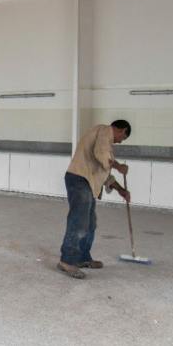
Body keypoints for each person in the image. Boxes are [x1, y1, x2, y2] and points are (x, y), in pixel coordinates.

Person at [57, 120, 132, 279]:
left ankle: (82, 257)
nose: (120, 141)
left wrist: (121, 190)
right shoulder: (105, 131)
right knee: (79, 221)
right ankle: (67, 260)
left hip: (87, 182)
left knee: (90, 223)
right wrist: (118, 166)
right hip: (79, 179)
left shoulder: (106, 143)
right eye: (123, 138)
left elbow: (103, 174)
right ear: (121, 130)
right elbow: (101, 154)